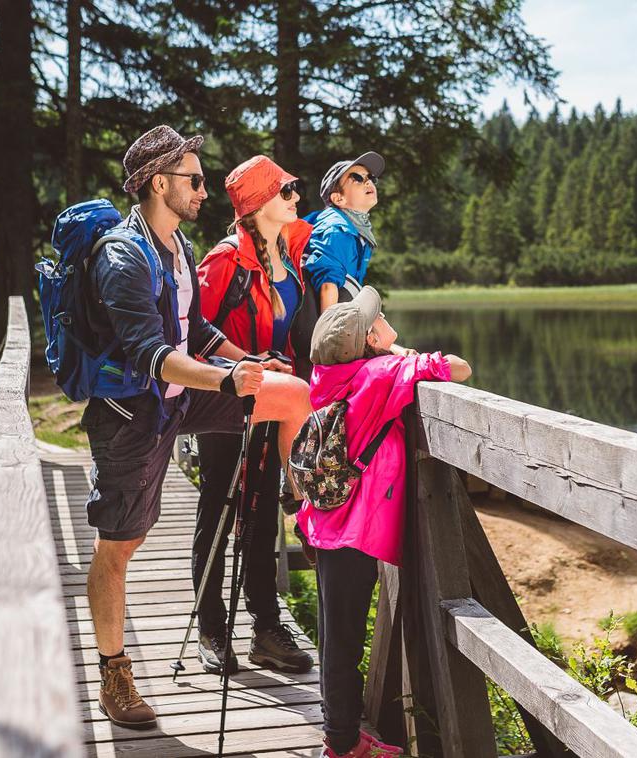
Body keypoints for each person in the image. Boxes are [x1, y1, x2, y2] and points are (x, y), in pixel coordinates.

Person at [83, 126, 312, 729]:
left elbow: (197, 332)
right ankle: (115, 674)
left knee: (291, 394)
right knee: (120, 546)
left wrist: (243, 361)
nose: (206, 191)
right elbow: (152, 355)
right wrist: (228, 381)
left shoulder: (179, 247)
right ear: (160, 183)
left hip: (184, 397)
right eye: (195, 179)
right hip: (133, 415)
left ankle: (309, 501)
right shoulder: (122, 256)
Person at [296, 286, 472, 758]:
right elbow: (458, 368)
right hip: (353, 532)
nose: (383, 316)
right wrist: (396, 352)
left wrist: (385, 348)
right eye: (377, 319)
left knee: (338, 635)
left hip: (326, 522)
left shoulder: (330, 376)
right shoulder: (379, 375)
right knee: (344, 643)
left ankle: (343, 730)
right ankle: (342, 745)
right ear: (372, 340)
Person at [192, 155, 316, 676]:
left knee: (263, 510)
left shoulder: (291, 255)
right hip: (226, 397)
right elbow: (188, 337)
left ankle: (265, 629)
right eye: (285, 190)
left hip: (274, 396)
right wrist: (241, 363)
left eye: (294, 188)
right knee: (219, 505)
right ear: (258, 203)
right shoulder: (224, 262)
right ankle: (211, 628)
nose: (294, 198)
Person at [303, 151, 384, 311]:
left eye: (370, 178)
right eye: (358, 178)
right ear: (339, 199)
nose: (368, 182)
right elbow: (328, 286)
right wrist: (329, 335)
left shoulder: (356, 228)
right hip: (321, 323)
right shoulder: (336, 230)